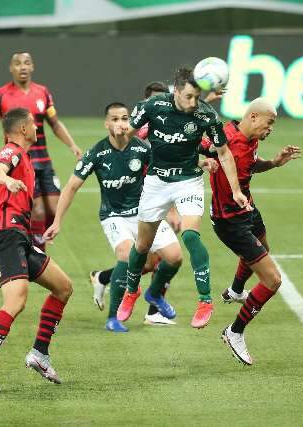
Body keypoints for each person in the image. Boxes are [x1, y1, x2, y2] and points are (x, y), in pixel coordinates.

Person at [118, 67, 249, 329]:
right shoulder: (154, 106)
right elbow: (127, 135)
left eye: (197, 97)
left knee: (190, 235)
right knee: (142, 246)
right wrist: (124, 131)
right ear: (175, 91)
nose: (192, 103)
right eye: (188, 96)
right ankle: (131, 292)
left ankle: (205, 301)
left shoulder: (205, 114)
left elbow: (223, 153)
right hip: (156, 182)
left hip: (188, 181)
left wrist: (236, 190)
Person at [44, 102, 183, 332]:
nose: (121, 124)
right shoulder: (96, 153)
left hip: (144, 213)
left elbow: (163, 177)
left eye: (125, 118)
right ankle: (113, 318)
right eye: (116, 119)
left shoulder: (142, 148)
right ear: (106, 124)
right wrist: (57, 221)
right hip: (114, 216)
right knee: (128, 257)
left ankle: (152, 293)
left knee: (174, 257)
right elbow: (70, 187)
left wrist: (173, 210)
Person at [0, 108, 73, 393]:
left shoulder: (25, 156)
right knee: (15, 302)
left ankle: (39, 354)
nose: (38, 127)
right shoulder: (11, 151)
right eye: (34, 123)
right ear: (25, 128)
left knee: (63, 287)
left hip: (21, 238)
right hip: (7, 238)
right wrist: (7, 180)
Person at [201, 98, 301, 365]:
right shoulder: (223, 139)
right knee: (273, 281)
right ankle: (234, 332)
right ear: (254, 117)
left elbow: (251, 164)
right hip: (230, 222)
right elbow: (192, 148)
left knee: (264, 249)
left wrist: (275, 162)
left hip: (248, 210)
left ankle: (235, 290)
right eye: (269, 124)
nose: (270, 130)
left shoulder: (251, 140)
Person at [0, 52, 82, 251]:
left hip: (44, 160)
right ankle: (37, 255)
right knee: (37, 212)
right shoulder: (1, 94)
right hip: (20, 161)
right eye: (17, 63)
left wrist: (72, 145)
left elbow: (55, 123)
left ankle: (34, 245)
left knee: (54, 209)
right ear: (11, 68)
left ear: (32, 67)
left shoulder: (42, 92)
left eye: (26, 63)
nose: (22, 67)